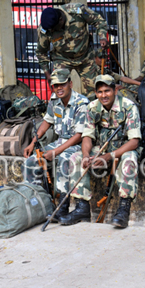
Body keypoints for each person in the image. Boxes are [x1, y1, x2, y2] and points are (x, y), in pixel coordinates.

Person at [60, 75, 141, 228]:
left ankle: (123, 209)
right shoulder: (92, 107)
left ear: (115, 90)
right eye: (100, 92)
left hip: (123, 149)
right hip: (102, 148)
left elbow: (134, 141)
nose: (104, 95)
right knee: (76, 157)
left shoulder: (129, 106)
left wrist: (108, 156)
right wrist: (86, 155)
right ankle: (82, 208)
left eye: (107, 91)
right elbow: (87, 136)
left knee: (130, 158)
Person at [22, 68, 89, 221]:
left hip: (77, 143)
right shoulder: (54, 100)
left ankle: (62, 208)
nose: (59, 88)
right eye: (55, 85)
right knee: (31, 162)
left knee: (64, 159)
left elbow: (79, 135)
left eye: (62, 84)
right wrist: (33, 143)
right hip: (60, 142)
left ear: (70, 84)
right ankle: (39, 204)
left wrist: (56, 151)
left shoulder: (81, 103)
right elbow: (47, 121)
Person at [36, 4, 109, 99]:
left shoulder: (77, 12)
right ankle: (62, 112)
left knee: (94, 90)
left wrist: (102, 36)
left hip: (85, 58)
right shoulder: (46, 29)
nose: (53, 31)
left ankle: (92, 112)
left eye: (55, 29)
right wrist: (47, 74)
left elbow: (99, 21)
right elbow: (41, 52)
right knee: (60, 91)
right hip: (62, 59)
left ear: (61, 20)